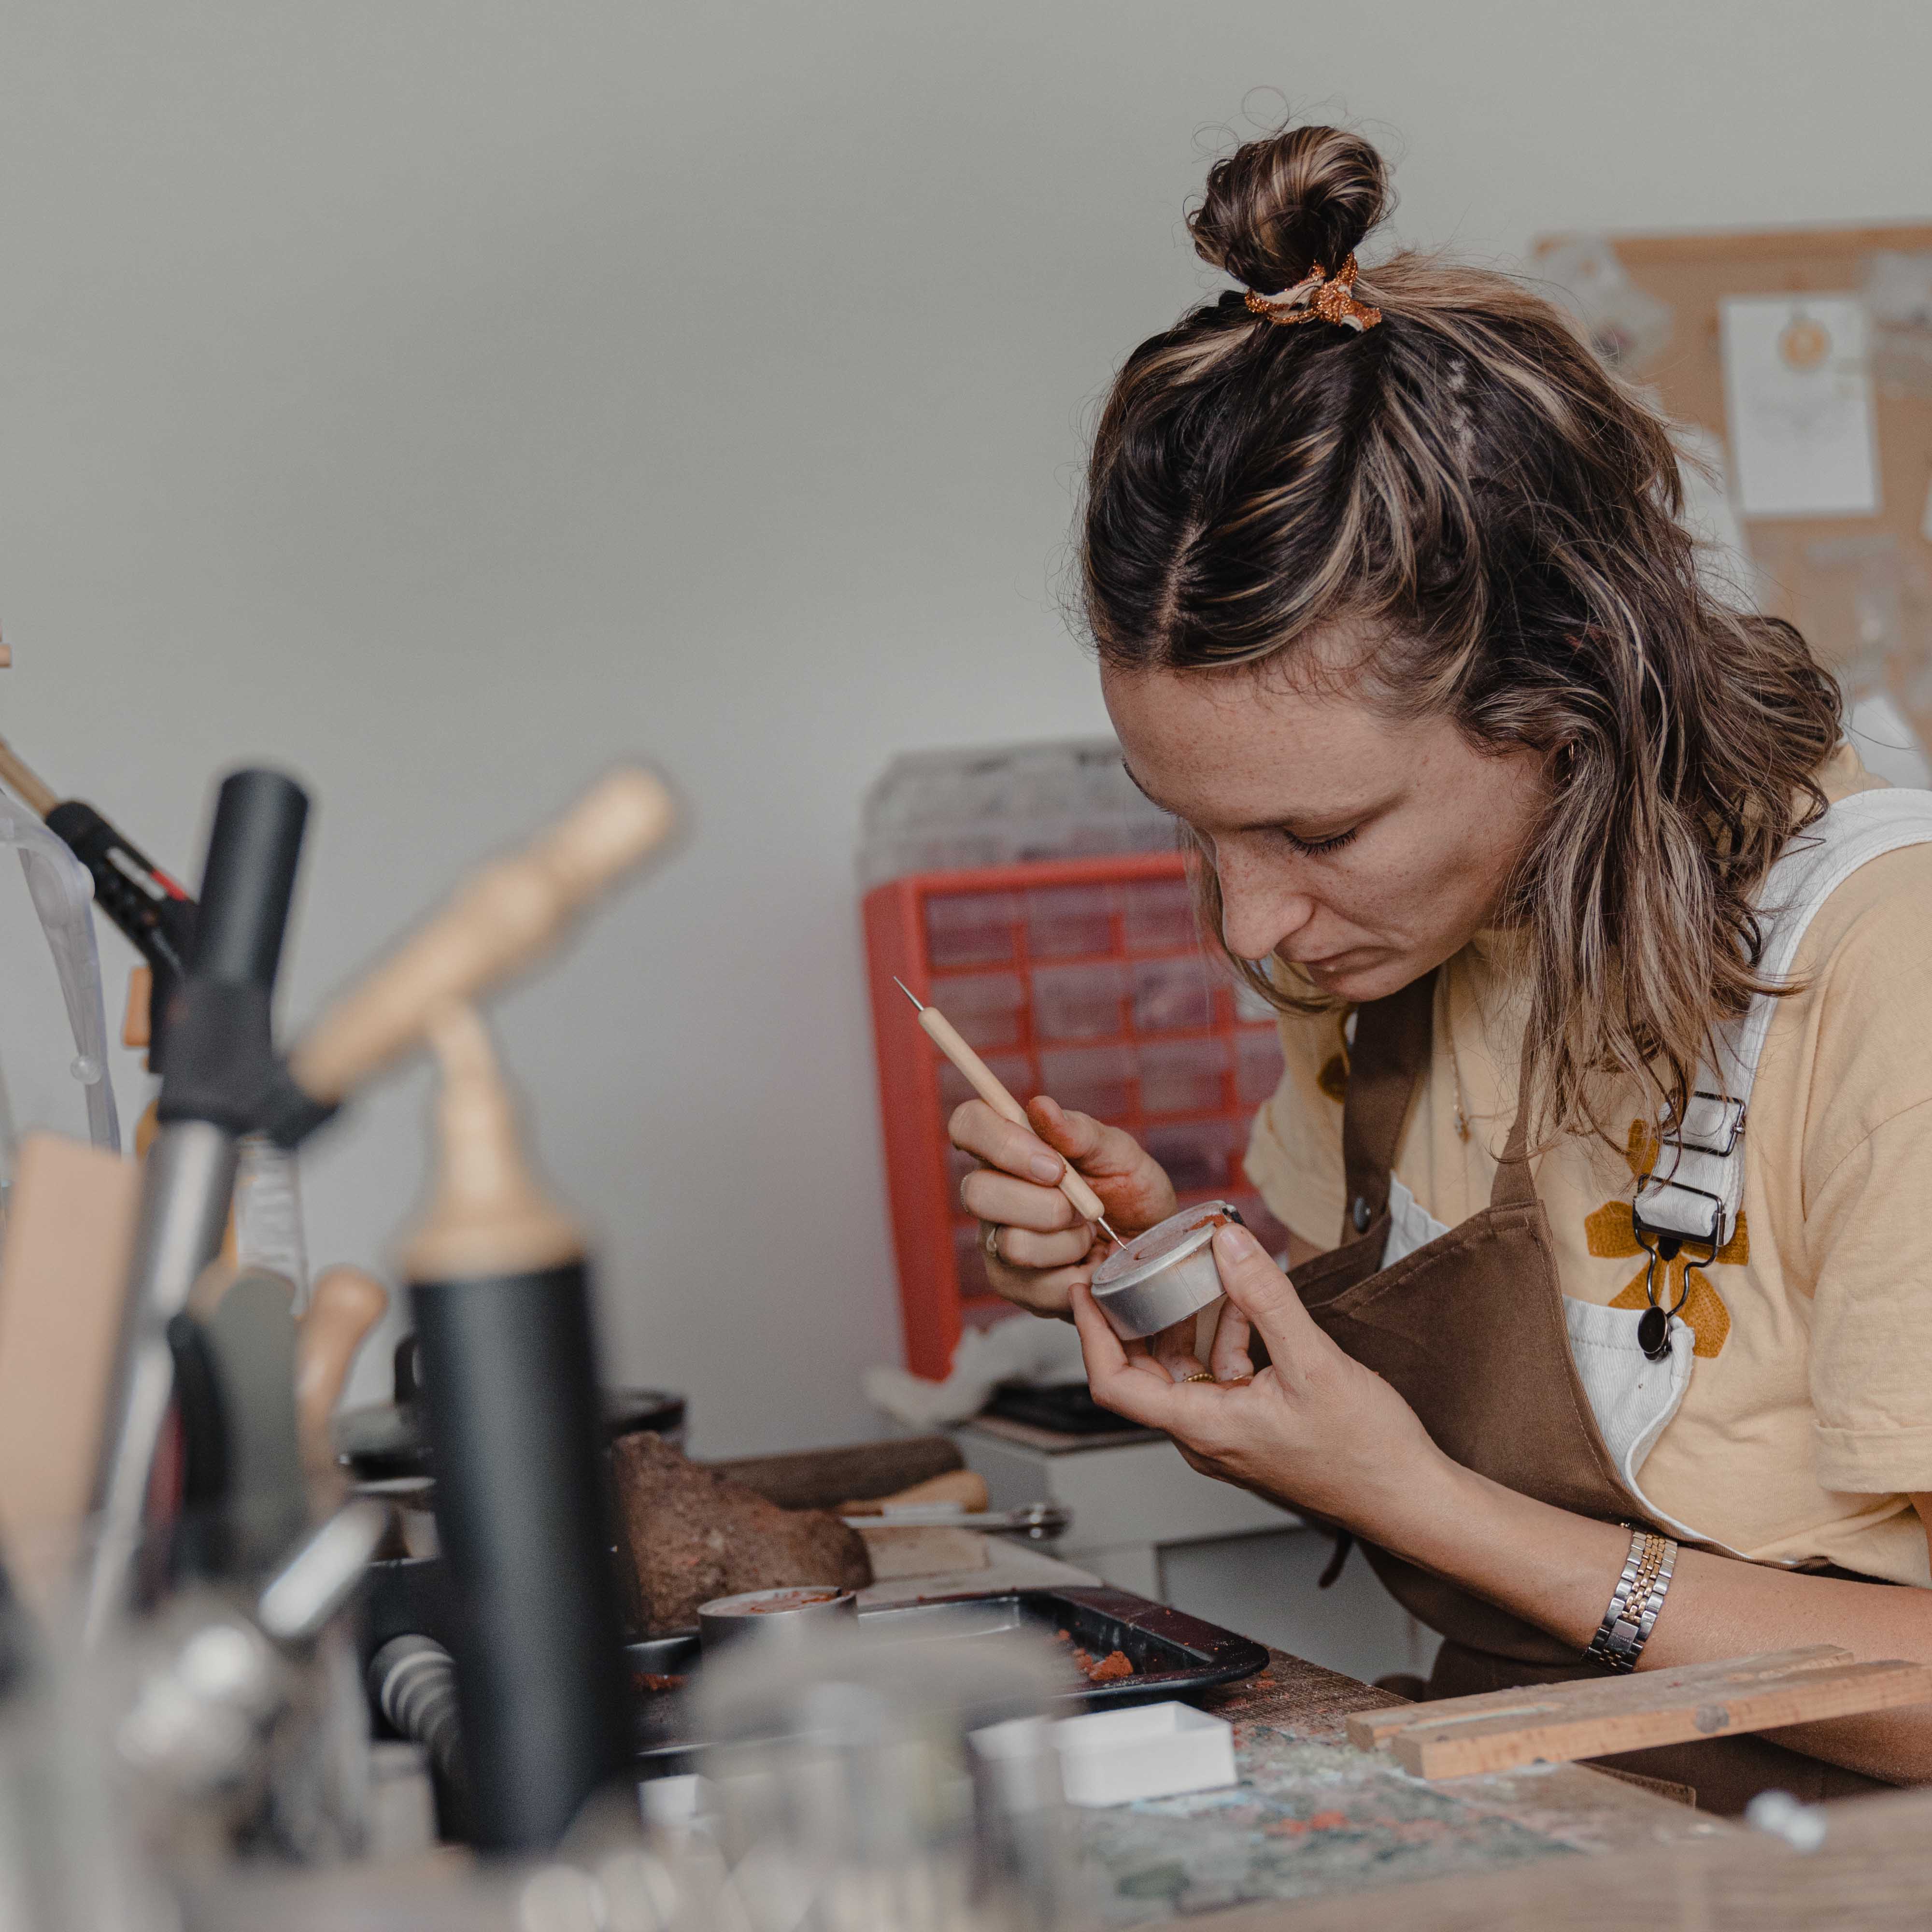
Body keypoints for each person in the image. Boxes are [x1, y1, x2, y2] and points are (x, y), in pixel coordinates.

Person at [950, 122, 1932, 1811]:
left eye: (1320, 834)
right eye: (1202, 834)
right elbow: (1389, 1427)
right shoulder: (1401, 949)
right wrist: (1181, 1299)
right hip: (1535, 1813)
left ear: (1566, 687)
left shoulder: (1883, 969)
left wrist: (1423, 1506)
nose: (1250, 928)